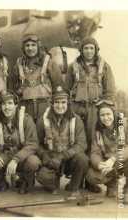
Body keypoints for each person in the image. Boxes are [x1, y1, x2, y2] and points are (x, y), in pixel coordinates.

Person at [65, 36, 116, 192]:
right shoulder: (73, 66)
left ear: (96, 50)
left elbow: (110, 93)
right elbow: (66, 90)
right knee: (75, 141)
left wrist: (105, 110)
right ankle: (77, 180)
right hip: (76, 107)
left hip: (95, 108)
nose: (88, 51)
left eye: (91, 48)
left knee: (92, 142)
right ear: (81, 50)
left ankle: (90, 182)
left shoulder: (104, 67)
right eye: (85, 48)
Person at [36, 86, 88, 196]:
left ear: (68, 103)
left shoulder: (76, 119)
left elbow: (82, 144)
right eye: (57, 102)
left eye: (63, 102)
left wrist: (63, 156)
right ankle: (54, 184)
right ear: (52, 103)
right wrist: (43, 155)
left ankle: (74, 187)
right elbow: (37, 143)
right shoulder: (43, 120)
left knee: (83, 159)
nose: (60, 106)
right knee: (42, 176)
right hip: (52, 159)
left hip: (69, 159)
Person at [0, 89, 40, 194]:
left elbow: (32, 144)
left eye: (10, 103)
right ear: (0, 106)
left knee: (33, 162)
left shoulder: (26, 120)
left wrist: (16, 159)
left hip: (22, 157)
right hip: (6, 154)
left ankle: (25, 181)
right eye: (3, 104)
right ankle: (0, 179)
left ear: (16, 104)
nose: (7, 107)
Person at [12, 33, 64, 123]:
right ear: (23, 48)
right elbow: (12, 90)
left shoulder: (50, 64)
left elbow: (59, 88)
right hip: (25, 108)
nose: (30, 48)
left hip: (46, 106)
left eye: (33, 45)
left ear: (39, 46)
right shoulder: (18, 67)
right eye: (27, 45)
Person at [85, 100, 128, 199]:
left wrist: (113, 159)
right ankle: (111, 184)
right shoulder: (97, 131)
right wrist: (100, 165)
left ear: (114, 113)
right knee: (91, 175)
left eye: (108, 114)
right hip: (107, 164)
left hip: (121, 161)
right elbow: (95, 152)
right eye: (102, 115)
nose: (106, 118)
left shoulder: (125, 125)